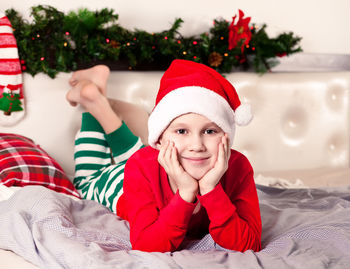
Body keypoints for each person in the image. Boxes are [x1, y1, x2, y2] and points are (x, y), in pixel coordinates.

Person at [67, 60, 261, 253]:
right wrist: (186, 193)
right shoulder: (141, 166)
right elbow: (146, 246)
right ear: (159, 140)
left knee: (139, 157)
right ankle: (93, 100)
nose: (197, 146)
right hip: (119, 184)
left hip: (151, 163)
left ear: (227, 136)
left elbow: (250, 244)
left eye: (210, 131)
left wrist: (210, 189)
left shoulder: (238, 166)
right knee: (85, 182)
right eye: (182, 131)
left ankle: (95, 95)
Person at [66, 65, 145, 213]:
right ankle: (93, 97)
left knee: (141, 160)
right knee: (86, 183)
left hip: (149, 174)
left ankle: (96, 97)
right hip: (133, 192)